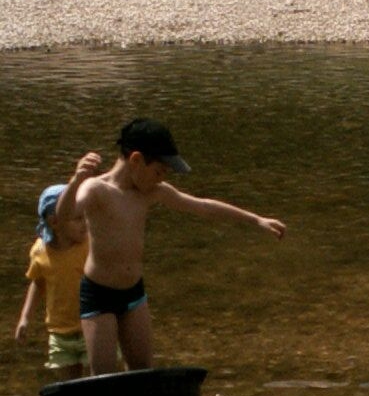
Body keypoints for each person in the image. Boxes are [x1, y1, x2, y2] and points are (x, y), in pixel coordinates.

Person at [54, 119, 286, 376]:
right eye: (159, 171)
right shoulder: (96, 189)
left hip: (133, 293)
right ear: (136, 160)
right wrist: (76, 180)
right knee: (105, 380)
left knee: (143, 373)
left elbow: (203, 206)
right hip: (99, 294)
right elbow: (64, 215)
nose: (162, 179)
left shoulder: (151, 191)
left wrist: (255, 219)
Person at [15, 184, 89, 379]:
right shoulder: (40, 252)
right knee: (70, 390)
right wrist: (25, 318)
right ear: (54, 222)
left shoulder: (88, 246)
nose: (85, 224)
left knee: (99, 384)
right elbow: (38, 283)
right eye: (78, 219)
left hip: (91, 325)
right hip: (59, 334)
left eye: (85, 216)